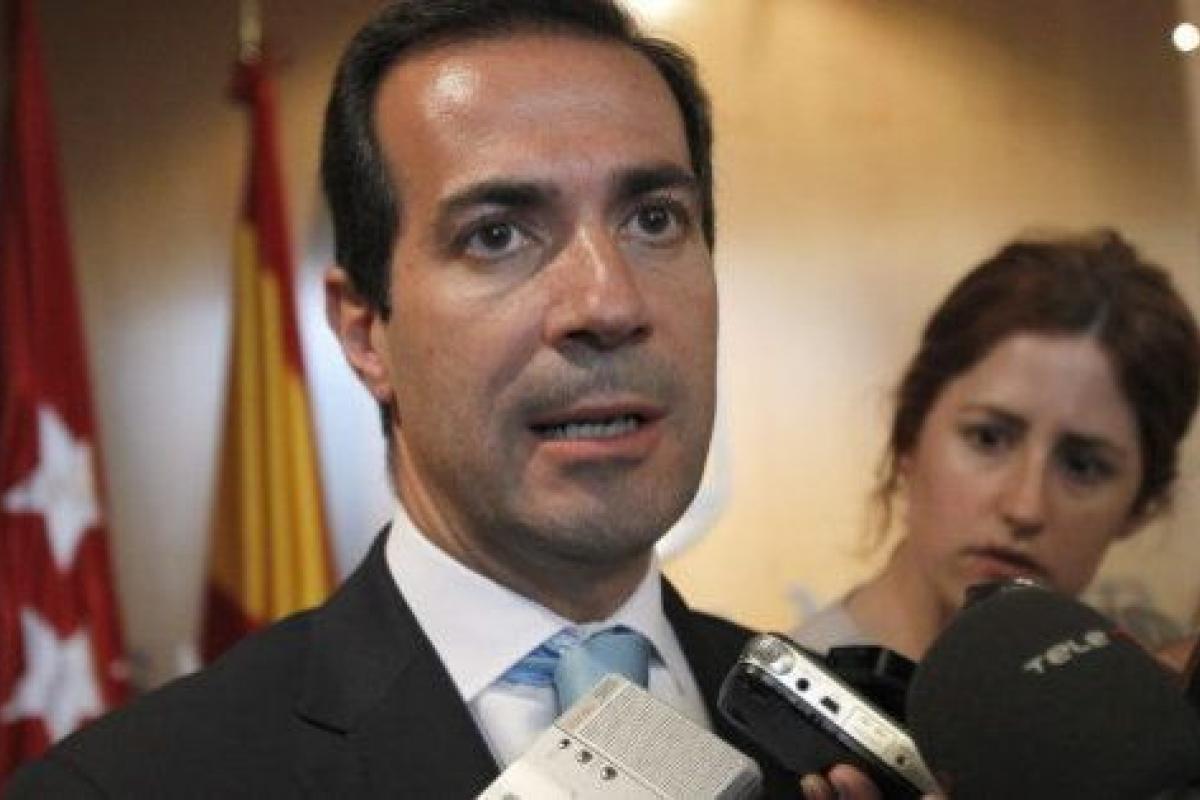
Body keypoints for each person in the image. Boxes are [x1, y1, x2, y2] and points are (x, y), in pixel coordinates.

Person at [8, 2, 887, 798]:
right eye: (496, 235)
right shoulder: (133, 785)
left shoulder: (862, 749)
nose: (608, 303)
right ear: (365, 333)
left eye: (653, 220)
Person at [792, 230, 1200, 663]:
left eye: (1082, 467)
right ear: (909, 433)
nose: (1025, 508)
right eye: (987, 438)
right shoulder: (771, 698)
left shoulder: (1145, 690)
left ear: (1142, 506)